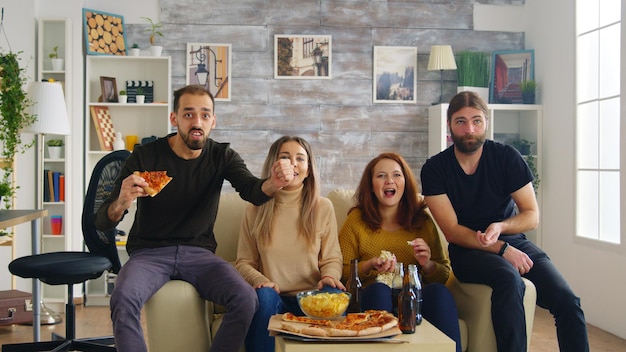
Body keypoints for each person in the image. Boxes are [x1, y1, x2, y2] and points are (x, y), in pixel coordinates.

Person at [95, 85, 295, 352]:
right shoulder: (145, 156)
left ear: (213, 121)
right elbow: (102, 221)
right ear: (174, 118)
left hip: (199, 255)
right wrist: (121, 200)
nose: (197, 122)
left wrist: (275, 182)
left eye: (204, 115)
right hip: (149, 253)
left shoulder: (222, 156)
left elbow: (253, 191)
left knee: (246, 298)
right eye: (188, 114)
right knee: (122, 297)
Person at [420, 91, 589, 352]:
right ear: (450, 125)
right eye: (461, 121)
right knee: (509, 279)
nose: (469, 129)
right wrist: (501, 249)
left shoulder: (506, 158)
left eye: (476, 121)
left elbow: (531, 215)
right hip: (468, 251)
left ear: (486, 122)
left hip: (512, 239)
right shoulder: (435, 169)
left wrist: (501, 228)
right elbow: (452, 231)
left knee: (567, 300)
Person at [339, 152, 462, 352]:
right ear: (371, 185)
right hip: (374, 297)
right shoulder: (356, 221)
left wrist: (427, 264)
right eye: (381, 176)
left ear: (405, 182)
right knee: (380, 290)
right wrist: (370, 266)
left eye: (397, 175)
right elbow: (343, 272)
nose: (390, 181)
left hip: (414, 299)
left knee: (440, 292)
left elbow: (443, 275)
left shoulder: (422, 221)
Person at [235, 136, 345, 352]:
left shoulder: (323, 207)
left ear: (309, 169)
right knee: (264, 297)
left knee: (333, 293)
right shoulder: (254, 209)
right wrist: (260, 280)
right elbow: (244, 262)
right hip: (274, 298)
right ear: (273, 165)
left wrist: (329, 276)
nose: (293, 163)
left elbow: (332, 258)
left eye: (300, 159)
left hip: (312, 297)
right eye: (285, 157)